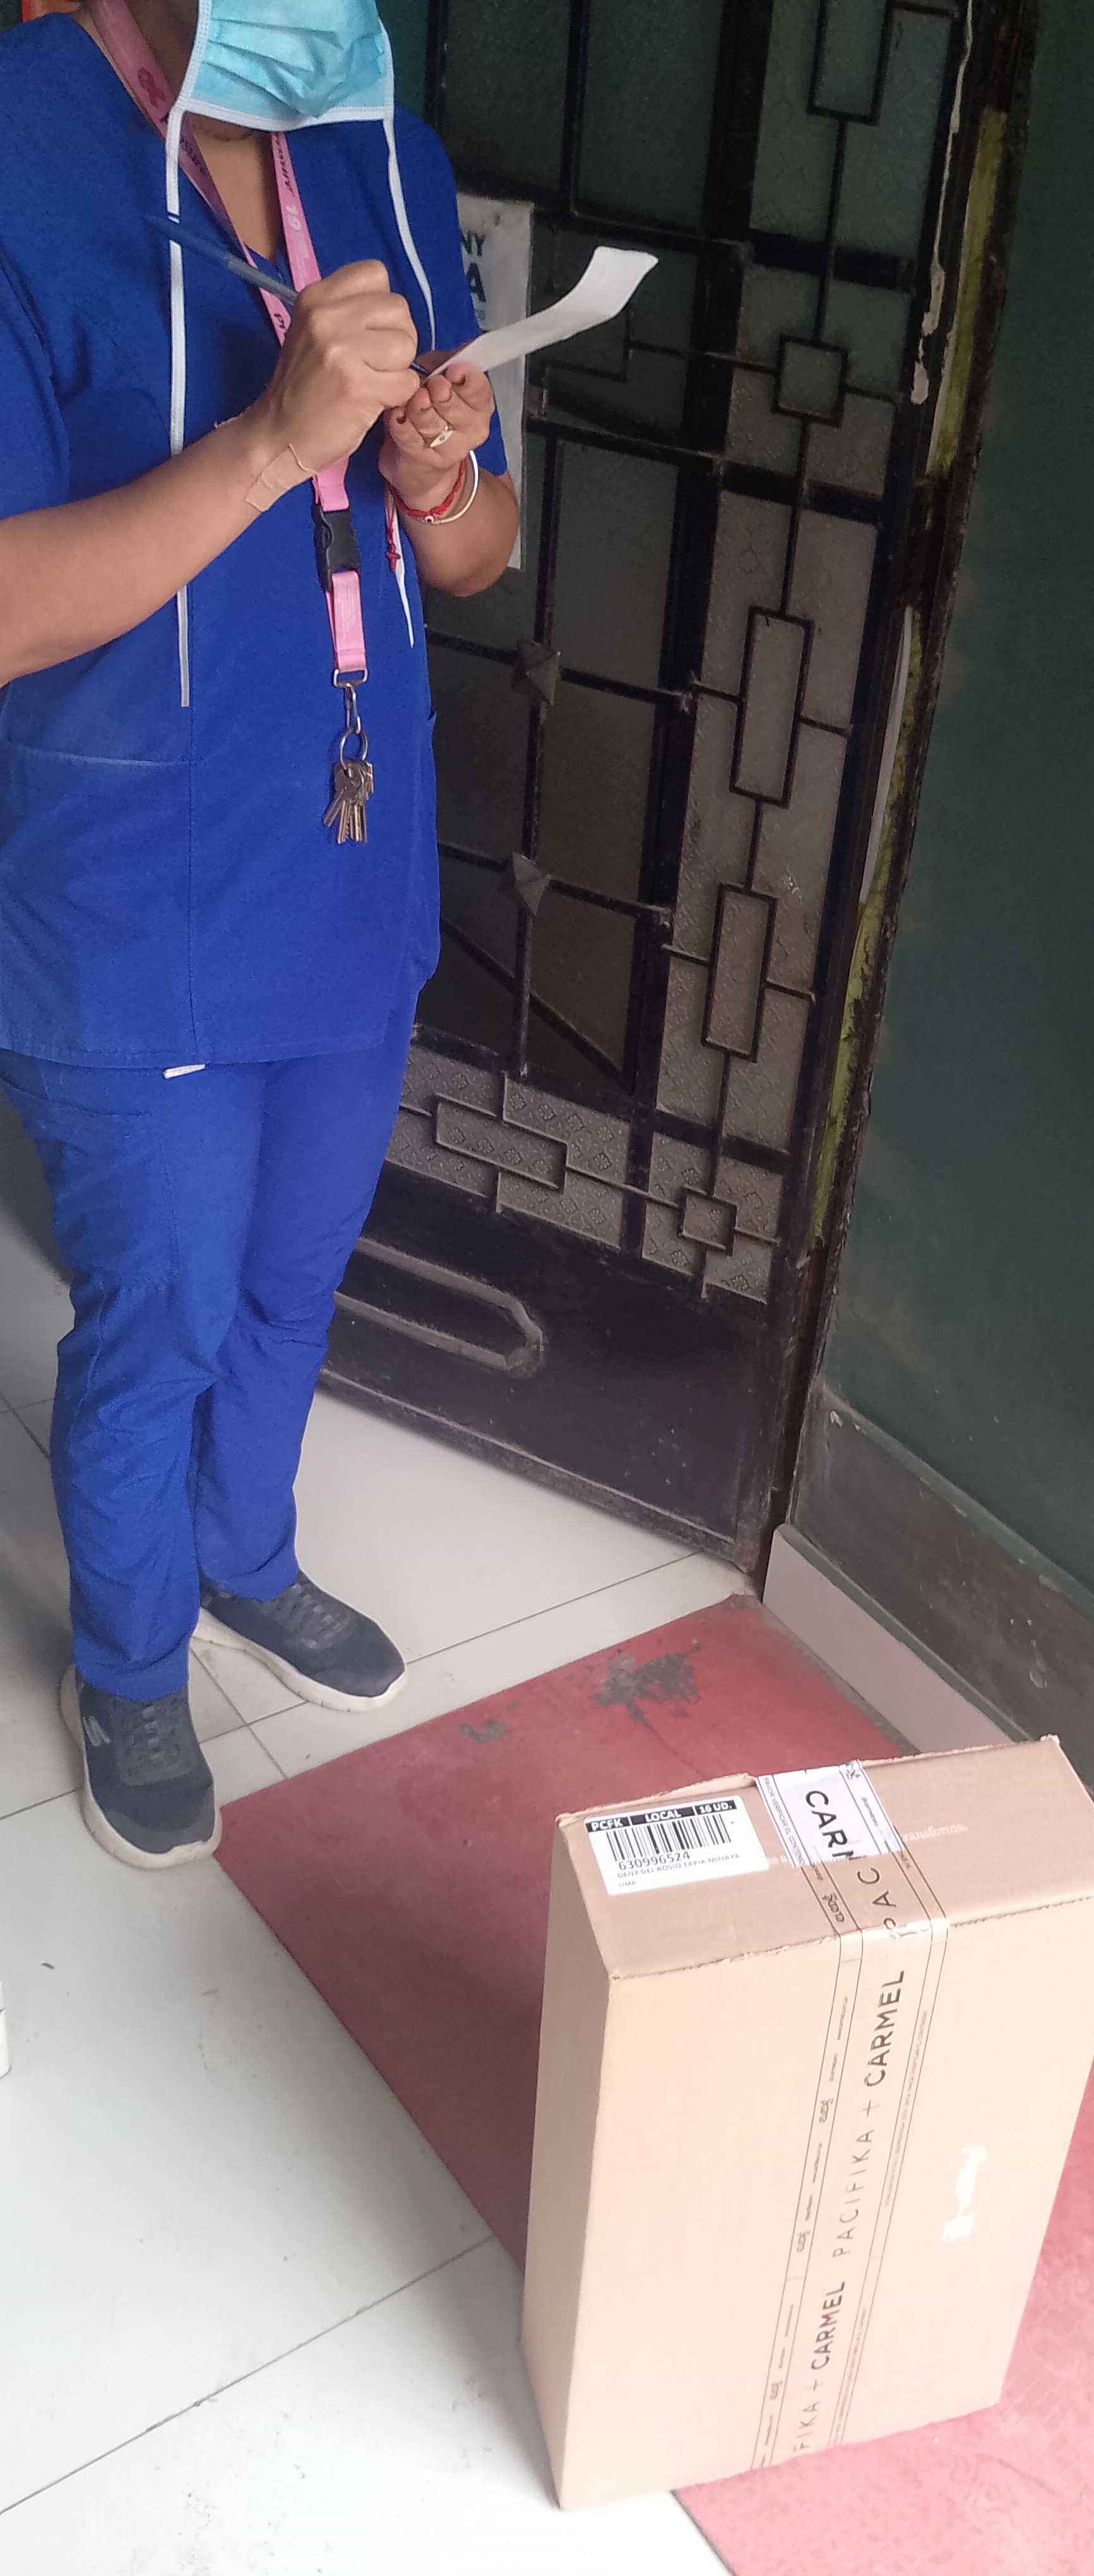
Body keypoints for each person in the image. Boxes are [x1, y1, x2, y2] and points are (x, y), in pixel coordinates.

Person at [0, 0, 518, 1869]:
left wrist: (434, 475)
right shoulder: (19, 155)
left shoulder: (385, 157)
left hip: (345, 862)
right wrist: (274, 439)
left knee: (296, 1282)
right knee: (163, 1316)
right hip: (135, 887)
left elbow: (478, 553)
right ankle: (134, 1665)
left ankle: (245, 1556)